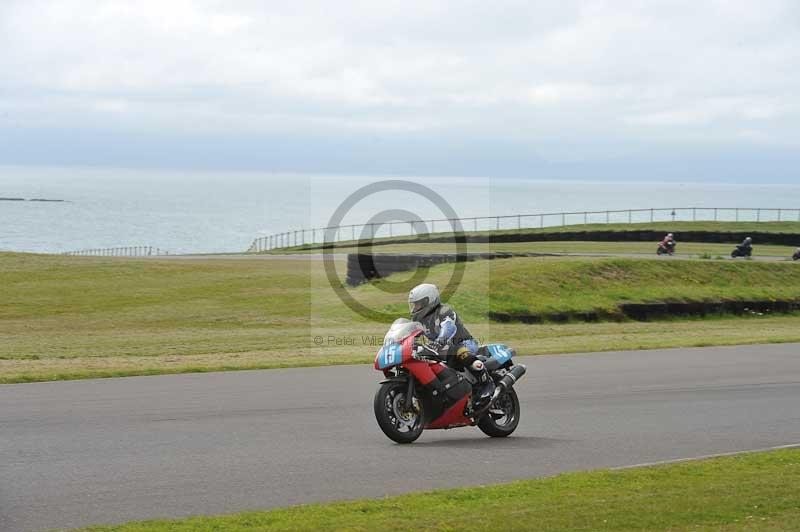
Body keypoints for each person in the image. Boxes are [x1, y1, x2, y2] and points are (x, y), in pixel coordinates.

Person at [408, 283, 495, 401]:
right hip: (440, 349)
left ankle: (485, 382)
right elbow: (413, 335)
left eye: (418, 304)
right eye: (414, 305)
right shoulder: (418, 319)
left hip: (463, 343)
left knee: (458, 350)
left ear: (428, 301)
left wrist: (439, 341)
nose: (415, 308)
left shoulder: (444, 311)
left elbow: (448, 328)